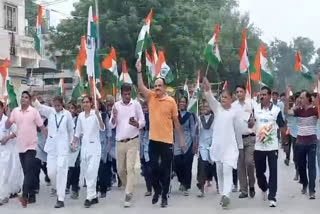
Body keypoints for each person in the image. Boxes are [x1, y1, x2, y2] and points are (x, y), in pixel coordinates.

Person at [137, 60, 184, 208]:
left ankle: (164, 196)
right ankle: (156, 190)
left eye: (159, 86)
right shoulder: (151, 97)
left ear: (164, 88)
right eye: (156, 86)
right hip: (153, 140)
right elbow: (141, 86)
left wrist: (181, 140)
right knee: (151, 168)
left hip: (167, 142)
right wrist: (139, 71)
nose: (157, 88)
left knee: (165, 170)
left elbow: (176, 123)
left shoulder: (171, 102)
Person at [202, 78, 243, 209]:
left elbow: (238, 131)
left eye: (226, 97)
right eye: (222, 97)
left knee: (227, 170)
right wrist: (207, 88)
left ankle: (226, 195)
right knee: (219, 171)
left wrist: (240, 146)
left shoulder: (234, 113)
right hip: (218, 147)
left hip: (230, 148)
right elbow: (210, 99)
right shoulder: (217, 109)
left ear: (232, 98)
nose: (223, 99)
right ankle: (222, 194)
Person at [5, 91, 46, 208]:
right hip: (20, 146)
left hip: (31, 146)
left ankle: (24, 195)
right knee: (27, 172)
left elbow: (42, 127)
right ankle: (32, 195)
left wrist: (49, 139)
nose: (23, 99)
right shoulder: (15, 111)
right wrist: (8, 117)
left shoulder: (34, 112)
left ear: (29, 100)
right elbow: (7, 126)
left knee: (28, 171)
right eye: (22, 97)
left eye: (26, 97)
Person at [33, 96, 74, 208]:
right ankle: (56, 187)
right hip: (51, 148)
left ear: (62, 104)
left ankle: (60, 198)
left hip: (63, 149)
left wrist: (72, 142)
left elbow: (71, 130)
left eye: (58, 105)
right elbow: (39, 107)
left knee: (61, 172)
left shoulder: (67, 115)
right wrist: (33, 98)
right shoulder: (50, 112)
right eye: (55, 105)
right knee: (51, 173)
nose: (56, 107)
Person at [249, 86, 286, 208]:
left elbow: (281, 126)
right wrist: (251, 122)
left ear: (270, 96)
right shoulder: (255, 109)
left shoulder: (276, 110)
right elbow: (250, 124)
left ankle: (272, 196)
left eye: (264, 94)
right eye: (261, 94)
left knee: (273, 172)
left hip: (272, 147)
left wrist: (285, 142)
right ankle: (264, 187)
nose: (262, 96)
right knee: (259, 173)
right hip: (259, 147)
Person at [110, 83, 145, 208]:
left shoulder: (136, 104)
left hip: (132, 141)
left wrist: (137, 124)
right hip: (120, 141)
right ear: (121, 93)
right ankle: (128, 187)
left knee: (130, 168)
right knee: (120, 170)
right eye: (125, 94)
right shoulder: (116, 106)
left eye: (129, 94)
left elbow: (142, 121)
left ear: (131, 93)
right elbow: (111, 125)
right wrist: (114, 117)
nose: (127, 96)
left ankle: (128, 193)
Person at [72, 96, 105, 208]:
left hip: (95, 147)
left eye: (87, 102)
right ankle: (94, 195)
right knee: (87, 172)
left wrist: (97, 115)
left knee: (92, 171)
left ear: (91, 103)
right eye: (84, 102)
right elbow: (77, 132)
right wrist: (73, 143)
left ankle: (89, 197)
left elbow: (102, 128)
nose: (85, 104)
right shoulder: (80, 116)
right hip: (85, 148)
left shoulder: (95, 114)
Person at [285, 89, 318, 199]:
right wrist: (286, 100)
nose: (300, 99)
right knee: (302, 167)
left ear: (308, 99)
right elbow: (287, 112)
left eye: (302, 97)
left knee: (311, 167)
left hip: (312, 143)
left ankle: (312, 190)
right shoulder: (298, 110)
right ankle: (304, 183)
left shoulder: (315, 110)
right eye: (300, 98)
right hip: (300, 143)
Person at [232, 85, 256, 199]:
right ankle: (244, 190)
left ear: (245, 92)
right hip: (238, 140)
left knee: (249, 162)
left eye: (241, 91)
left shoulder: (251, 104)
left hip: (250, 137)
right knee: (240, 165)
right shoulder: (233, 107)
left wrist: (253, 121)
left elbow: (256, 119)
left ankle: (252, 184)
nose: (239, 93)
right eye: (237, 92)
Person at [174, 96, 196, 196]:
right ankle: (181, 181)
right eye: (180, 102)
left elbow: (192, 129)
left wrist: (194, 143)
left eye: (184, 102)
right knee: (177, 164)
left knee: (187, 165)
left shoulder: (190, 116)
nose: (182, 103)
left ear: (186, 104)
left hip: (188, 142)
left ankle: (186, 186)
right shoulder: (174, 115)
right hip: (177, 142)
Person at [196, 99, 218, 197]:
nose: (205, 108)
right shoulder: (199, 118)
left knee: (215, 166)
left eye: (207, 106)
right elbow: (196, 132)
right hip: (203, 145)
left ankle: (218, 184)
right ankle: (201, 187)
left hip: (213, 145)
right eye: (203, 107)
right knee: (202, 165)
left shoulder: (215, 118)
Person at [0, 102, 18, 206]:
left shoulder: (8, 121)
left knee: (4, 174)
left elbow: (17, 131)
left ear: (3, 108)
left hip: (6, 150)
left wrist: (7, 138)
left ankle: (3, 196)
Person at [66, 103, 81, 199]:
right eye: (69, 108)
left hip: (76, 146)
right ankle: (67, 185)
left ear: (75, 110)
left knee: (75, 167)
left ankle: (75, 188)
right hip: (66, 145)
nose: (71, 110)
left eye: (72, 108)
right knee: (67, 167)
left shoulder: (78, 119)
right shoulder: (65, 119)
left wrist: (74, 143)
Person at [284, 94, 299, 181]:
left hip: (303, 136)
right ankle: (297, 172)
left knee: (302, 156)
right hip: (293, 134)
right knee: (296, 156)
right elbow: (286, 113)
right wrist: (286, 100)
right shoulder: (293, 110)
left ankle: (301, 172)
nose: (298, 102)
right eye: (296, 101)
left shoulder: (304, 110)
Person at [96, 100, 110, 198]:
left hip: (102, 144)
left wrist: (108, 143)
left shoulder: (104, 115)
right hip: (92, 145)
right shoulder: (87, 115)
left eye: (98, 104)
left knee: (102, 168)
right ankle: (94, 188)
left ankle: (103, 189)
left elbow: (108, 130)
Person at [140, 101, 152, 196]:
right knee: (145, 170)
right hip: (142, 148)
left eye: (146, 107)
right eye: (143, 107)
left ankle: (155, 187)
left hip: (151, 146)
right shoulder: (140, 117)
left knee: (151, 169)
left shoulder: (152, 116)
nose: (145, 109)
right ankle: (149, 188)